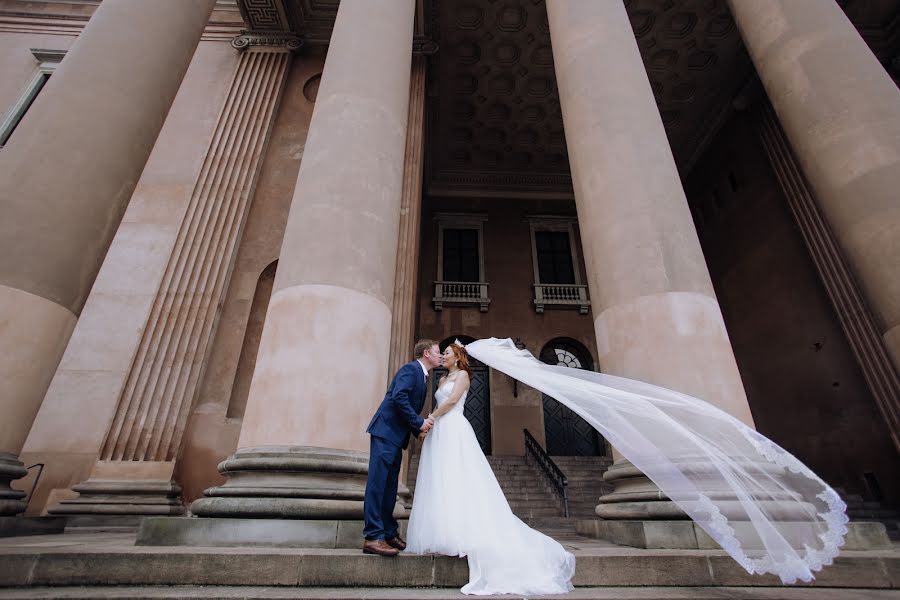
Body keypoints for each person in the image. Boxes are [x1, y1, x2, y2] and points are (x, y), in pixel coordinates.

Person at [406, 341, 575, 595]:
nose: (443, 356)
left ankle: (464, 535)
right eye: (443, 353)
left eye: (448, 353)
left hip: (454, 429)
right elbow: (440, 400)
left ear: (458, 356)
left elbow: (452, 402)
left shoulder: (463, 375)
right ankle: (446, 534)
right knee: (442, 482)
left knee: (458, 477)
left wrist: (429, 419)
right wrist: (428, 428)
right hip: (440, 432)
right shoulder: (442, 378)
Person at [362, 339, 441, 557]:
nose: (441, 355)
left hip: (395, 438)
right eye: (437, 352)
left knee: (389, 487)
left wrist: (419, 430)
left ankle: (389, 532)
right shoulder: (411, 369)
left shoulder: (422, 376)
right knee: (378, 484)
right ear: (426, 354)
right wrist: (418, 423)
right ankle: (372, 536)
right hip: (385, 433)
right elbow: (399, 397)